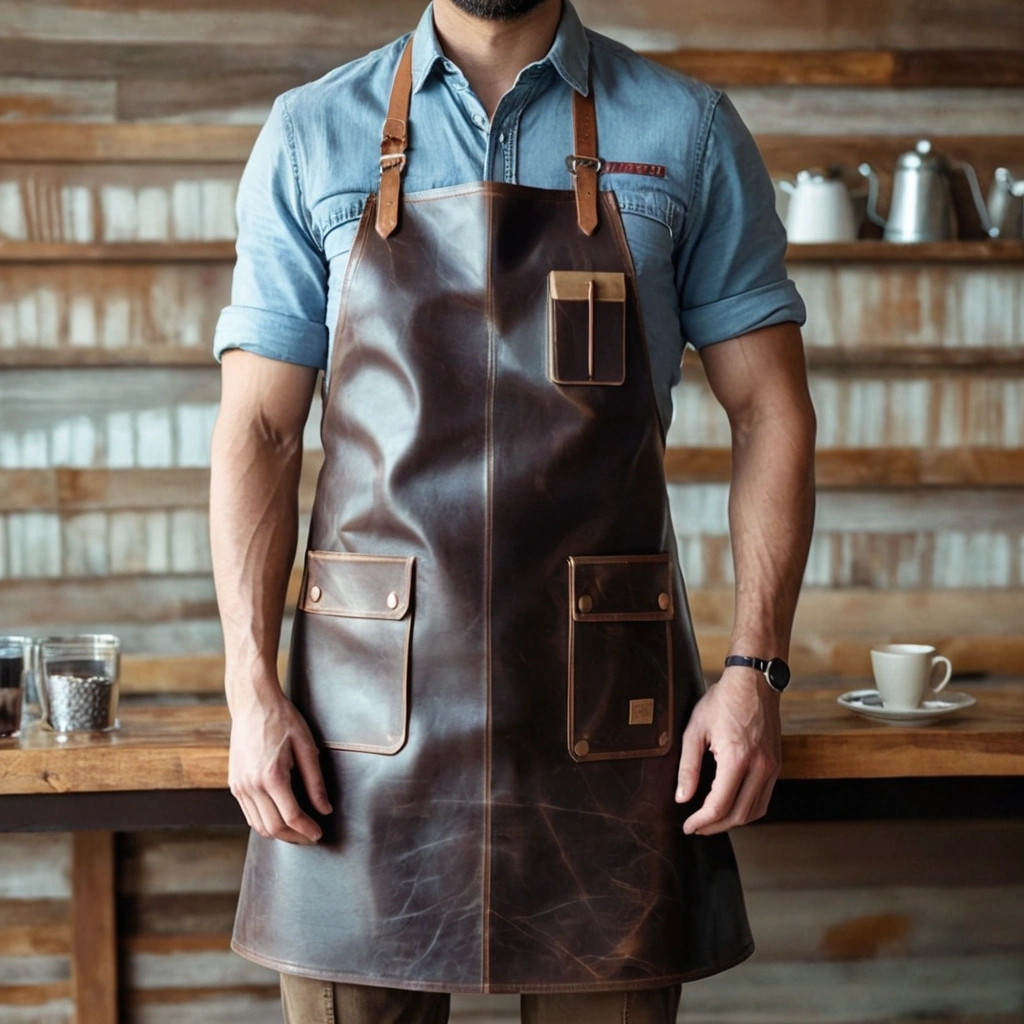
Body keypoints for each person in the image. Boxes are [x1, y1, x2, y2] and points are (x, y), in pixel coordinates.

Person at [209, 0, 816, 1021]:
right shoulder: (312, 131)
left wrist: (754, 669)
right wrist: (248, 685)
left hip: (607, 711)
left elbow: (772, 412)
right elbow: (259, 433)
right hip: (359, 721)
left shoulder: (687, 130)